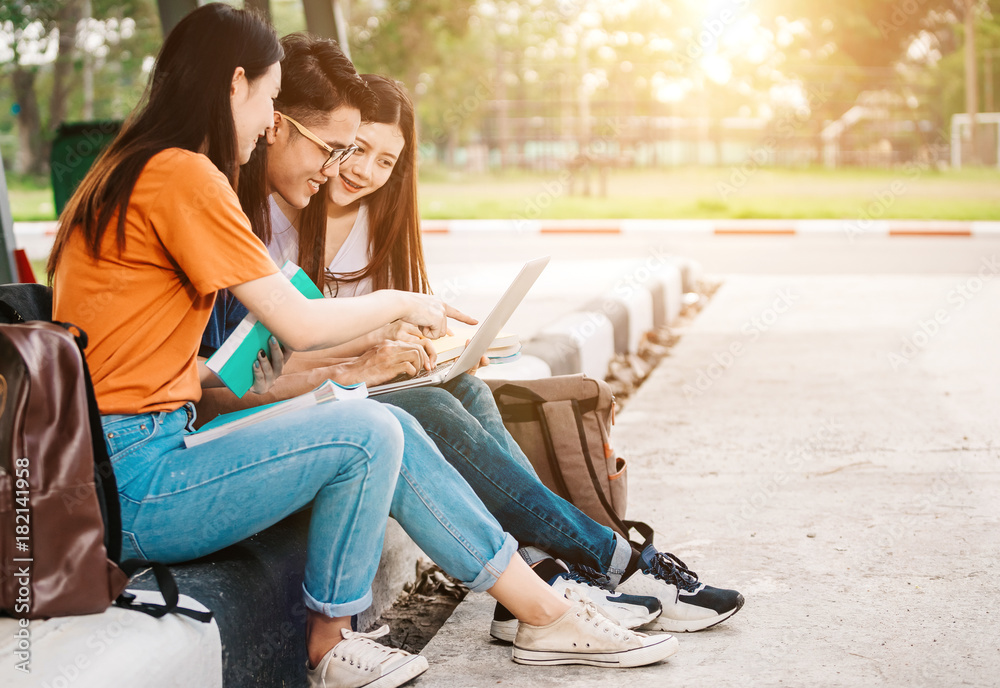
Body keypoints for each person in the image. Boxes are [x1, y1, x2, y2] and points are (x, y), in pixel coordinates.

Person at [47, 7, 676, 688]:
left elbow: (155, 368)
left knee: (388, 422)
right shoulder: (182, 176)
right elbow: (300, 325)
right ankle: (341, 642)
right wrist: (409, 303)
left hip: (124, 463)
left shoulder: (132, 168)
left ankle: (541, 608)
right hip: (136, 481)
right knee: (369, 430)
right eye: (267, 100)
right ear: (236, 85)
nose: (265, 125)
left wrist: (307, 382)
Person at [196, 37, 745, 643]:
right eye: (340, 149)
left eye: (379, 158)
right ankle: (613, 560)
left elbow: (262, 359)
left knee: (466, 392)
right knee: (426, 407)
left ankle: (544, 577)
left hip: (291, 408)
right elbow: (252, 366)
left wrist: (397, 348)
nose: (346, 168)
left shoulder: (285, 207)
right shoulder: (235, 214)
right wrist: (370, 355)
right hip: (262, 433)